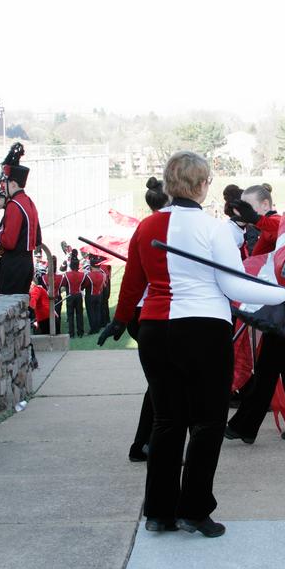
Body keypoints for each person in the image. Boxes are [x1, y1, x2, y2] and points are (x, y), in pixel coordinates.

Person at [103, 151, 285, 537]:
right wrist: (283, 294)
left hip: (156, 333)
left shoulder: (147, 228)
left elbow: (133, 282)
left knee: (167, 421)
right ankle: (194, 509)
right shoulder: (214, 230)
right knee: (208, 422)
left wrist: (119, 318)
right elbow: (232, 286)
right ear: (201, 185)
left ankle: (159, 512)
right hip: (203, 332)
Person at [225, 185, 285, 443]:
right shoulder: (267, 225)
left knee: (269, 367)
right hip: (281, 306)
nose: (246, 212)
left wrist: (257, 219)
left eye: (250, 206)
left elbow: (280, 229)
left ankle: (245, 425)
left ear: (265, 204)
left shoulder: (281, 223)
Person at [127, 177, 171, 463]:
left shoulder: (146, 227)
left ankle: (144, 444)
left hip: (144, 314)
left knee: (160, 385)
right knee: (162, 386)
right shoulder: (155, 228)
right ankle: (145, 445)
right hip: (149, 313)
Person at [0, 143, 40, 295]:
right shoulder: (29, 202)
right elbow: (37, 238)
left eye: (6, 183)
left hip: (13, 265)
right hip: (27, 263)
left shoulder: (14, 205)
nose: (3, 188)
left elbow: (9, 242)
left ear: (14, 184)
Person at [61, 250, 89, 337]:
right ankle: (80, 332)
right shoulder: (82, 275)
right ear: (77, 265)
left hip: (70, 295)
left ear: (71, 265)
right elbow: (86, 284)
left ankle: (71, 333)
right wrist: (81, 288)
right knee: (79, 314)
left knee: (70, 315)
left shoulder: (66, 274)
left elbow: (63, 284)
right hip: (79, 295)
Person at [83, 255, 109, 334]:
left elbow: (84, 286)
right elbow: (104, 285)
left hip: (90, 296)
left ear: (91, 265)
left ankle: (93, 329)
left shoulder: (88, 275)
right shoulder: (103, 274)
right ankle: (97, 328)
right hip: (99, 295)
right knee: (97, 312)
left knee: (91, 313)